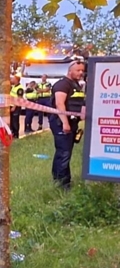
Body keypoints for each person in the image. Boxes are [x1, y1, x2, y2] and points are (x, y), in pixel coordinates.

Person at [48, 61, 86, 190]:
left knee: (66, 152)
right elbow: (60, 104)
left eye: (82, 70)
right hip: (61, 123)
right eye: (78, 70)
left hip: (72, 122)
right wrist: (65, 122)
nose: (81, 72)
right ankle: (61, 183)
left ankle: (65, 180)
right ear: (70, 71)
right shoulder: (62, 84)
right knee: (63, 153)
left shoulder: (76, 85)